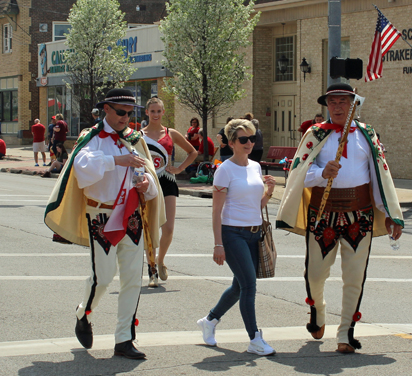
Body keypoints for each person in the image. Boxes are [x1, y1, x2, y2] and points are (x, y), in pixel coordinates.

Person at [276, 83, 404, 354]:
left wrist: (391, 214)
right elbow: (299, 172)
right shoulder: (315, 134)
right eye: (332, 102)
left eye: (343, 102)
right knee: (316, 273)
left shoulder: (367, 134)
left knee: (354, 276)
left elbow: (379, 174)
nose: (337, 106)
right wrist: (322, 173)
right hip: (323, 214)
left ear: (353, 104)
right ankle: (318, 309)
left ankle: (346, 332)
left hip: (361, 214)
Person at [44, 88, 165, 359]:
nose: (125, 118)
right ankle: (82, 312)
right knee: (104, 277)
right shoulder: (92, 137)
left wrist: (146, 184)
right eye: (120, 112)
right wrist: (116, 160)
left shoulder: (135, 140)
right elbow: (82, 169)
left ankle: (124, 339)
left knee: (133, 278)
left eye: (129, 113)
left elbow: (149, 176)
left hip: (131, 215)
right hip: (101, 216)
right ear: (106, 109)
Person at [197, 118, 276, 355]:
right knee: (249, 286)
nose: (249, 143)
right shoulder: (224, 170)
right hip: (233, 235)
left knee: (239, 287)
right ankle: (255, 339)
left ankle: (209, 320)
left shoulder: (255, 166)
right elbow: (216, 211)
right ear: (232, 142)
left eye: (252, 138)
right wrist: (218, 244)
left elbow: (255, 205)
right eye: (243, 139)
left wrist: (269, 193)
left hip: (254, 233)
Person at [141, 97, 198, 287]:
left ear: (163, 112)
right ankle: (151, 270)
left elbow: (193, 152)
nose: (156, 114)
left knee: (169, 227)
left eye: (159, 111)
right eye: (152, 111)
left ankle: (160, 259)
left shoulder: (170, 133)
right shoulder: (138, 135)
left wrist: (180, 168)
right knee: (149, 227)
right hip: (148, 182)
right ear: (147, 112)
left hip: (167, 181)